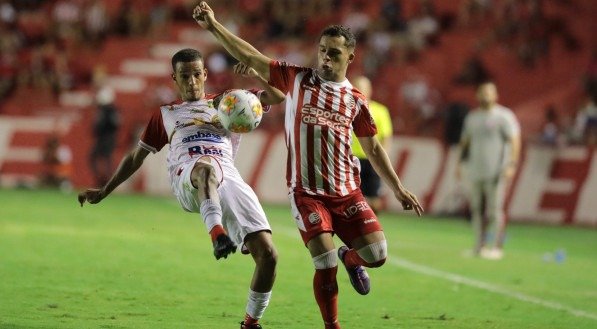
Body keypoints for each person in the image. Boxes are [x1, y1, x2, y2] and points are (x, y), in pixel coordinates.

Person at [193, 4, 423, 328]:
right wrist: (214, 26)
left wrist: (398, 188)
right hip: (307, 194)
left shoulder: (356, 101)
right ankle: (332, 324)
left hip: (348, 193)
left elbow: (373, 147)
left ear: (350, 58)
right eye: (322, 51)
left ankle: (351, 258)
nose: (326, 58)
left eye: (334, 54)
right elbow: (253, 55)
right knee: (324, 261)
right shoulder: (298, 79)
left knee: (378, 255)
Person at [78, 48, 285, 329]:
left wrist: (258, 74)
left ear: (205, 75)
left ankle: (251, 323)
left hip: (230, 179)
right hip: (187, 177)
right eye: (184, 76)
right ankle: (217, 234)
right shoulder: (165, 114)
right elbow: (135, 157)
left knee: (269, 255)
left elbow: (279, 96)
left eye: (196, 75)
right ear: (174, 78)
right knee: (206, 170)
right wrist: (105, 190)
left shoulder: (228, 102)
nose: (191, 82)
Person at [456, 81, 521, 260]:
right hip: (476, 169)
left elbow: (514, 140)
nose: (486, 95)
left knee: (495, 210)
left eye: (489, 92)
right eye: (483, 92)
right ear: (477, 95)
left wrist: (512, 164)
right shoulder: (472, 118)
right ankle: (479, 246)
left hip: (496, 171)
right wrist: (459, 164)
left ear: (496, 95)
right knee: (477, 209)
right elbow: (465, 142)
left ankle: (497, 247)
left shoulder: (504, 116)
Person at [350, 76, 394, 214]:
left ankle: (373, 224)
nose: (359, 91)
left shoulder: (381, 111)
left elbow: (386, 137)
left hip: (371, 160)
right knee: (350, 197)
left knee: (374, 198)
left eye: (362, 88)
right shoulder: (344, 108)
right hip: (350, 159)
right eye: (356, 87)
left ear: (370, 90)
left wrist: (382, 159)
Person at [89, 86, 120, 186]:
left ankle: (106, 180)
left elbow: (113, 124)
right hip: (107, 138)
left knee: (104, 158)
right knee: (105, 159)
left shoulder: (108, 110)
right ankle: (105, 179)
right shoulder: (111, 110)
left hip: (106, 138)